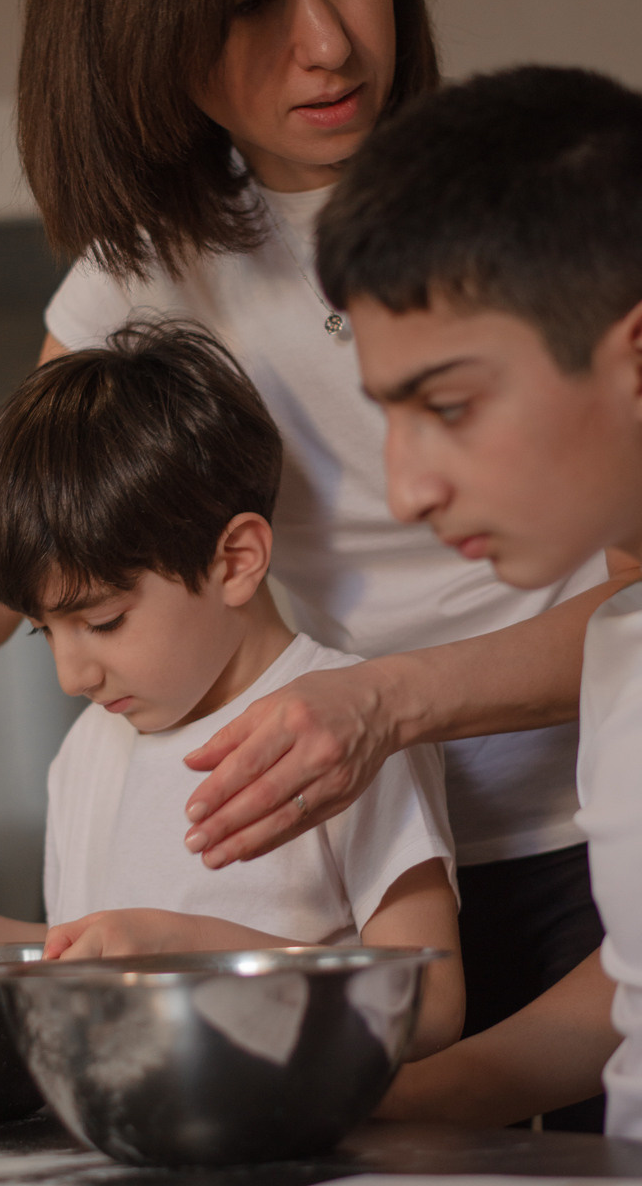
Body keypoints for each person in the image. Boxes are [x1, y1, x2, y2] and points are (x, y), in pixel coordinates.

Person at [0, 0, 627, 1126]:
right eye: (247, 3)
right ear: (151, 41)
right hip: (337, 813)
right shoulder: (143, 275)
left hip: (571, 812)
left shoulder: (530, 209)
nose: (328, 43)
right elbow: (0, 586)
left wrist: (386, 703)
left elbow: (635, 590)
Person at [0, 322, 464, 1060]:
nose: (71, 675)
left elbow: (431, 1005)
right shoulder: (90, 746)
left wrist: (182, 953)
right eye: (42, 631)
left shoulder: (348, 726)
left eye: (104, 621)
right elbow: (93, 955)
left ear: (236, 560)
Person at [314, 62, 642, 1136]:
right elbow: (629, 994)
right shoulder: (617, 640)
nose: (408, 488)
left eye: (447, 404)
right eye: (388, 418)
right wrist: (356, 1109)